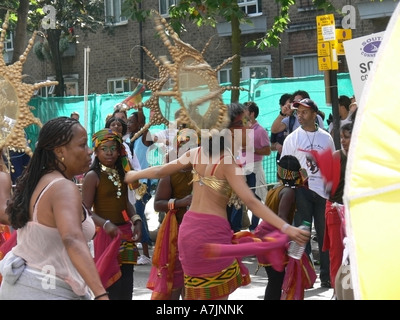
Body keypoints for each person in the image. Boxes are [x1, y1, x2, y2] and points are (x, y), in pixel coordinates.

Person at [125, 102, 310, 300]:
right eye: (241, 125)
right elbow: (252, 201)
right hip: (210, 234)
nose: (247, 129)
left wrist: (133, 175)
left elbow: (160, 170)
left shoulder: (197, 153)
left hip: (188, 234)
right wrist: (287, 228)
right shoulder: (227, 162)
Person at [0, 117, 109, 300]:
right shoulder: (62, 187)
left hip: (24, 287)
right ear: (59, 151)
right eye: (82, 145)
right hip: (45, 290)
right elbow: (72, 239)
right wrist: (101, 294)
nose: (90, 151)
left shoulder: (38, 180)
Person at [280, 98, 335, 288]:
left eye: (304, 112)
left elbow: (332, 166)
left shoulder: (326, 137)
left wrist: (333, 194)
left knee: (324, 236)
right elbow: (284, 170)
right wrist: (292, 187)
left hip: (323, 194)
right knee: (300, 235)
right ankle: (300, 275)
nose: (300, 116)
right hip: (301, 192)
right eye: (298, 113)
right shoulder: (292, 139)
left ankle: (327, 276)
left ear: (314, 114)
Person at [82, 128, 142, 300]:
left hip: (125, 234)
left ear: (119, 150)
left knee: (127, 283)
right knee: (110, 284)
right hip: (106, 235)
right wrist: (105, 223)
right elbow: (84, 211)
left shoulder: (123, 173)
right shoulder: (93, 176)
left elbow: (126, 203)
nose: (109, 153)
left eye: (113, 148)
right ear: (97, 151)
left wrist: (137, 221)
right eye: (104, 148)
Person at [147, 128, 197, 300]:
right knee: (174, 284)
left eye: (193, 146)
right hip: (176, 235)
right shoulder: (170, 173)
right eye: (183, 146)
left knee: (195, 286)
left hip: (199, 236)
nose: (188, 150)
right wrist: (180, 202)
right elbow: (158, 204)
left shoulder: (205, 171)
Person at [254, 155, 313, 300]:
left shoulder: (275, 188)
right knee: (276, 280)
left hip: (265, 234)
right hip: (273, 236)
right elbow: (282, 217)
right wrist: (292, 236)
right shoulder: (288, 192)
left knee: (274, 279)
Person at [321, 123, 353, 294]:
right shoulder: (336, 157)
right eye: (341, 138)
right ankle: (337, 291)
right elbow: (328, 188)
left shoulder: (363, 157)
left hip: (356, 211)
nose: (343, 141)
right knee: (337, 253)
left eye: (347, 137)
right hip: (335, 210)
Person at [231, 101, 271, 232]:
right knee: (238, 197)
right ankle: (234, 229)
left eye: (245, 111)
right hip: (239, 166)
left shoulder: (260, 131)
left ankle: (254, 228)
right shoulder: (238, 129)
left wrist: (251, 150)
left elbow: (267, 150)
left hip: (253, 168)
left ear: (252, 114)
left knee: (255, 198)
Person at [129, 111, 155, 265]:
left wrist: (139, 105)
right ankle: (141, 249)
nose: (129, 124)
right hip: (134, 183)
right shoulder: (131, 140)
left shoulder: (145, 138)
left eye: (133, 121)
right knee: (135, 215)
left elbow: (144, 122)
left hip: (143, 183)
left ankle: (145, 253)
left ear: (139, 124)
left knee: (139, 214)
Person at [270, 93, 292, 163]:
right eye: (288, 105)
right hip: (282, 159)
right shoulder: (278, 122)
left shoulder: (297, 119)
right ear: (281, 106)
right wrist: (277, 145)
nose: (289, 108)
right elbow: (271, 145)